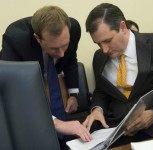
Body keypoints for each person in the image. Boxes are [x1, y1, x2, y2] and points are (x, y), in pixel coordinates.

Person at [83, 3, 153, 144]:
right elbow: (101, 91)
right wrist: (97, 109)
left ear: (123, 27)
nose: (104, 49)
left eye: (108, 41)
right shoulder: (99, 57)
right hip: (118, 132)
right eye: (98, 44)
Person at [1, 5, 92, 146]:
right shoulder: (16, 38)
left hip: (54, 90)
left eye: (65, 45)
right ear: (38, 38)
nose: (61, 53)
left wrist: (73, 93)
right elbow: (13, 93)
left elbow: (70, 59)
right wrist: (56, 123)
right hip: (28, 99)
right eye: (54, 48)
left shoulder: (73, 28)